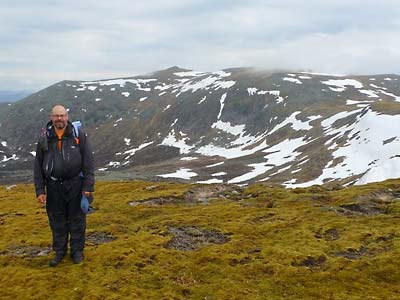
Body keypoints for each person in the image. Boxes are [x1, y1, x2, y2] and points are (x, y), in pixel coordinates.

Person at [34, 104, 94, 267]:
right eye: (56, 116)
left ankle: (77, 252)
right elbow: (38, 166)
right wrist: (40, 190)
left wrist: (88, 187)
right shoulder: (44, 138)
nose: (59, 119)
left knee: (77, 220)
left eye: (62, 115)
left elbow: (88, 162)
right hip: (53, 187)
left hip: (76, 184)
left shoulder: (78, 135)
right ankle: (60, 252)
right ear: (51, 117)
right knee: (56, 221)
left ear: (67, 117)